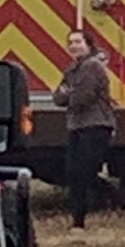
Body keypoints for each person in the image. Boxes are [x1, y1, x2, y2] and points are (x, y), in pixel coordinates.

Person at [52, 29, 116, 230]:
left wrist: (69, 94)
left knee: (83, 172)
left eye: (78, 42)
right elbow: (57, 98)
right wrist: (69, 94)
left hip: (96, 125)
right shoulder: (72, 69)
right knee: (73, 173)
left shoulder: (92, 67)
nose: (73, 46)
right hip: (76, 126)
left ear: (89, 45)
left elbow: (82, 98)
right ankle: (78, 220)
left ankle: (114, 198)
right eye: (70, 42)